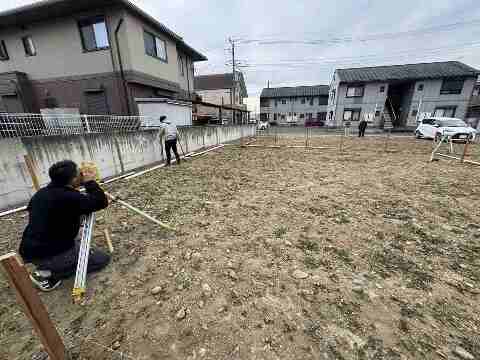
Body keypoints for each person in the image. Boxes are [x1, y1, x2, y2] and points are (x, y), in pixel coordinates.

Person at [19, 160, 110, 292]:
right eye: (79, 173)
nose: (81, 175)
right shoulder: (70, 197)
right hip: (53, 254)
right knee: (101, 259)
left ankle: (49, 266)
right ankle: (48, 274)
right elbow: (100, 201)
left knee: (77, 246)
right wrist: (90, 182)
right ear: (73, 179)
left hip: (30, 252)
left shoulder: (41, 193)